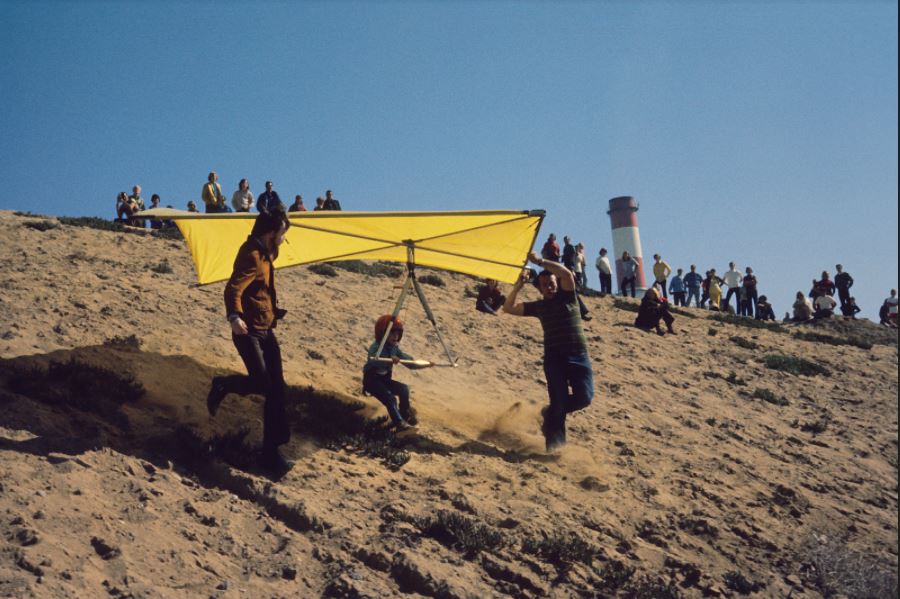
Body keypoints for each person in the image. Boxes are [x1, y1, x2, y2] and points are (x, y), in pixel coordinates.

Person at [206, 206, 293, 477]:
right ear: (270, 233)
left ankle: (271, 453)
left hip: (266, 328)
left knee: (278, 390)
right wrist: (234, 316)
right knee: (261, 383)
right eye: (281, 234)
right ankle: (223, 384)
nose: (283, 239)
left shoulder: (268, 253)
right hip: (247, 331)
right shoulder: (252, 255)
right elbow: (233, 287)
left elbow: (263, 287)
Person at [502, 252, 593, 452]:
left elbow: (566, 273)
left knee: (584, 398)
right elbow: (508, 308)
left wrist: (540, 262)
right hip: (554, 360)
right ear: (540, 289)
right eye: (544, 285)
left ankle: (548, 412)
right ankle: (555, 449)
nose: (549, 287)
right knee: (559, 404)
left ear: (557, 283)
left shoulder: (569, 296)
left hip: (579, 356)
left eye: (551, 283)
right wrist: (518, 286)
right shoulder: (539, 307)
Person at [363, 315, 431, 429]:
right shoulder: (376, 347)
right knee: (390, 399)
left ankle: (405, 414)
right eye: (392, 333)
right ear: (383, 333)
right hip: (372, 382)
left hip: (384, 381)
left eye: (398, 334)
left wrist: (425, 364)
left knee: (404, 389)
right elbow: (373, 359)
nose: (396, 336)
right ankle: (399, 424)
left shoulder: (394, 348)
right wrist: (389, 358)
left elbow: (409, 362)